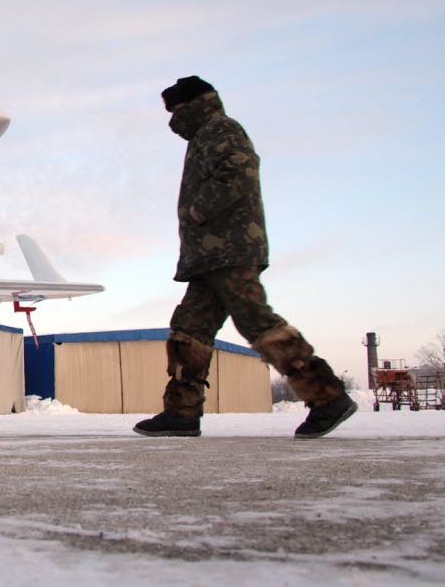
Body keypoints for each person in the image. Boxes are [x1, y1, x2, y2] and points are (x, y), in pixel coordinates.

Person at [134, 76, 357, 439]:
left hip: (230, 249)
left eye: (175, 110)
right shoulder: (204, 136)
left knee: (257, 321)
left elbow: (240, 170)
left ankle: (327, 396)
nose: (172, 120)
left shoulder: (221, 129)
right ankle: (181, 412)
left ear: (192, 105)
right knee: (189, 331)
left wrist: (198, 210)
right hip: (208, 255)